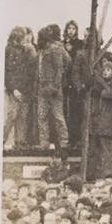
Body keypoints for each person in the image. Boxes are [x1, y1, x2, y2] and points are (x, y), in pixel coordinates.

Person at [36, 24, 71, 158]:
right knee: (42, 116)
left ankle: (64, 144)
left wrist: (55, 86)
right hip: (42, 90)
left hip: (54, 90)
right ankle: (43, 144)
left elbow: (61, 68)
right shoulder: (41, 51)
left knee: (58, 117)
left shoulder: (55, 50)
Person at [3, 26, 36, 151]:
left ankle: (19, 143)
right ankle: (2, 140)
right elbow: (8, 72)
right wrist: (13, 89)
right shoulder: (10, 50)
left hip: (22, 88)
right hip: (16, 89)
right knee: (13, 115)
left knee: (21, 116)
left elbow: (28, 70)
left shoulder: (25, 49)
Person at [88, 54, 112, 181]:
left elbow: (111, 95)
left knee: (107, 151)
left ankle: (108, 175)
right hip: (97, 121)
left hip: (107, 123)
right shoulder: (99, 87)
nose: (106, 72)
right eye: (104, 70)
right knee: (93, 150)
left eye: (108, 70)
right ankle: (91, 174)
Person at [62, 21, 84, 147]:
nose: (71, 31)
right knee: (65, 111)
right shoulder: (62, 44)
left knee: (75, 111)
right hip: (64, 81)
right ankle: (67, 138)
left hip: (74, 81)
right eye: (69, 28)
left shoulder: (79, 44)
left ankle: (75, 138)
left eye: (73, 28)